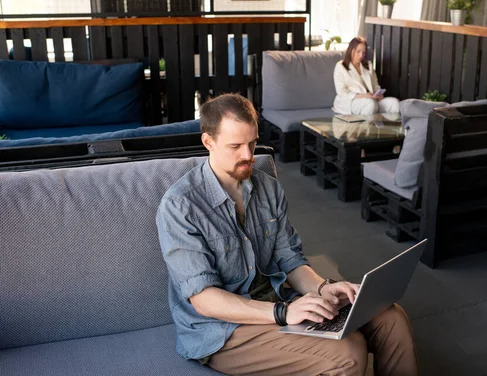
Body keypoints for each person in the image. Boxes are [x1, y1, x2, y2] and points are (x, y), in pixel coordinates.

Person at [156, 93, 418, 376]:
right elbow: (204, 300)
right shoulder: (180, 206)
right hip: (222, 331)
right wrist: (282, 313)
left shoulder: (268, 188)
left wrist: (322, 288)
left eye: (252, 143)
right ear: (208, 142)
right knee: (348, 353)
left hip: (279, 301)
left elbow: (289, 260)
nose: (248, 156)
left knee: (392, 317)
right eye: (235, 146)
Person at [333, 36, 400, 116]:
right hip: (350, 101)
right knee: (370, 104)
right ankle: (366, 128)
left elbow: (376, 85)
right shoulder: (341, 66)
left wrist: (378, 94)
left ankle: (386, 128)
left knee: (394, 103)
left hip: (371, 99)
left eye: (363, 52)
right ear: (351, 50)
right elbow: (342, 92)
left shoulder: (368, 65)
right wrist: (364, 96)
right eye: (358, 51)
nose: (361, 55)